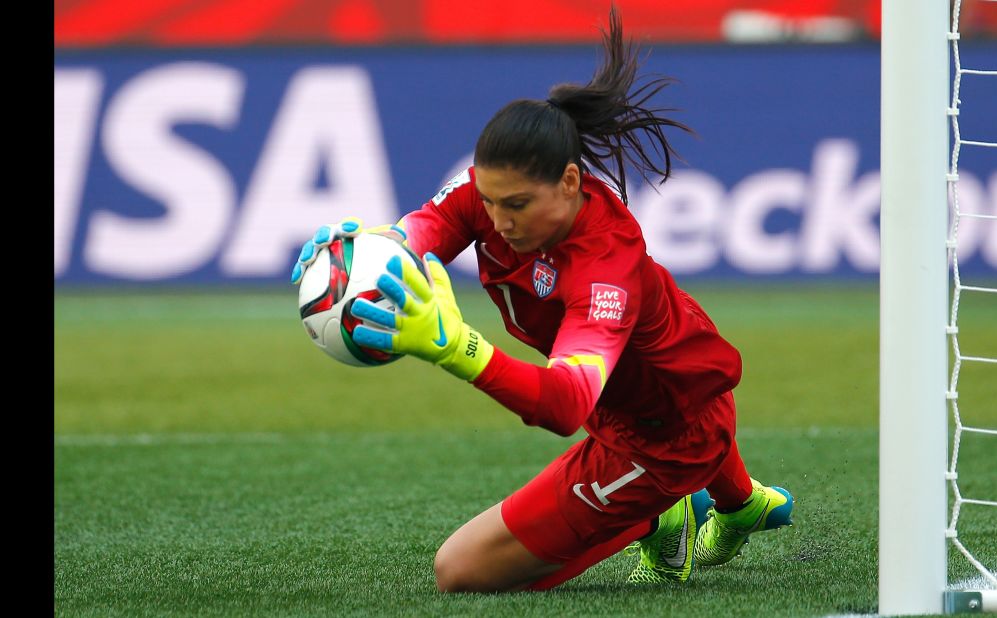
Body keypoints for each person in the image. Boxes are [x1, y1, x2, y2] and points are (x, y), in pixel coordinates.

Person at [291, 6, 793, 593]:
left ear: (572, 183)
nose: (497, 220)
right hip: (645, 395)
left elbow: (564, 407)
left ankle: (657, 509)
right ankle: (740, 504)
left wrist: (456, 348)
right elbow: (421, 230)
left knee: (461, 572)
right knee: (664, 402)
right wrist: (362, 254)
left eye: (517, 206)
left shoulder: (604, 266)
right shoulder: (491, 189)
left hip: (661, 439)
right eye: (489, 199)